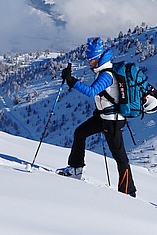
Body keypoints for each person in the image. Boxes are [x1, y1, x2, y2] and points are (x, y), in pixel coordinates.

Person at [59, 37, 136, 197]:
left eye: (91, 60)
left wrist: (71, 81)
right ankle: (75, 168)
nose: (89, 62)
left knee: (120, 157)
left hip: (113, 121)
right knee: (80, 133)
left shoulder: (106, 75)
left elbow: (91, 92)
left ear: (98, 58)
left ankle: (128, 192)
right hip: (104, 117)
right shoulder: (103, 71)